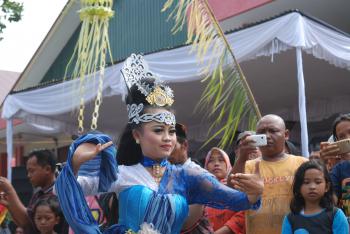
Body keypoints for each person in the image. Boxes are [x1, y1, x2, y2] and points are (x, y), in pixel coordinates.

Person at [55, 54, 263, 234]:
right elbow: (64, 190)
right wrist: (74, 164)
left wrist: (255, 193)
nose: (168, 138)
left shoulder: (188, 175)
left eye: (171, 132)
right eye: (158, 130)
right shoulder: (123, 174)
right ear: (137, 135)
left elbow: (239, 201)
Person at [230, 114, 308, 234]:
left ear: (286, 135)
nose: (267, 136)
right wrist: (242, 157)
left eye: (273, 131)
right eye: (261, 132)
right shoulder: (248, 165)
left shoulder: (302, 163)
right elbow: (229, 191)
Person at [0, 150, 67, 234]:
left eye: (32, 171)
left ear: (47, 169)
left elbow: (27, 221)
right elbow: (23, 223)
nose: (28, 175)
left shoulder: (58, 193)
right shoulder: (39, 194)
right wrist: (9, 204)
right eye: (28, 172)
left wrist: (10, 190)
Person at [169, 123, 214, 234]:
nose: (167, 152)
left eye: (171, 146)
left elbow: (185, 222)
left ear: (184, 145)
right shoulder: (165, 172)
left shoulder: (199, 174)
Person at [281, 160, 348, 233]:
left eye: (318, 182)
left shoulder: (336, 215)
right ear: (298, 187)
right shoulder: (290, 219)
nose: (312, 187)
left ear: (327, 187)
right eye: (306, 182)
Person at [205, 147, 245, 234]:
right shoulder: (201, 193)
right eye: (211, 161)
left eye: (221, 160)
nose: (216, 164)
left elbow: (244, 214)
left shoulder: (238, 185)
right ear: (206, 167)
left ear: (228, 165)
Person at [322, 114, 350, 220]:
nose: (348, 138)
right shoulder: (338, 169)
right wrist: (322, 165)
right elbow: (329, 202)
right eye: (342, 136)